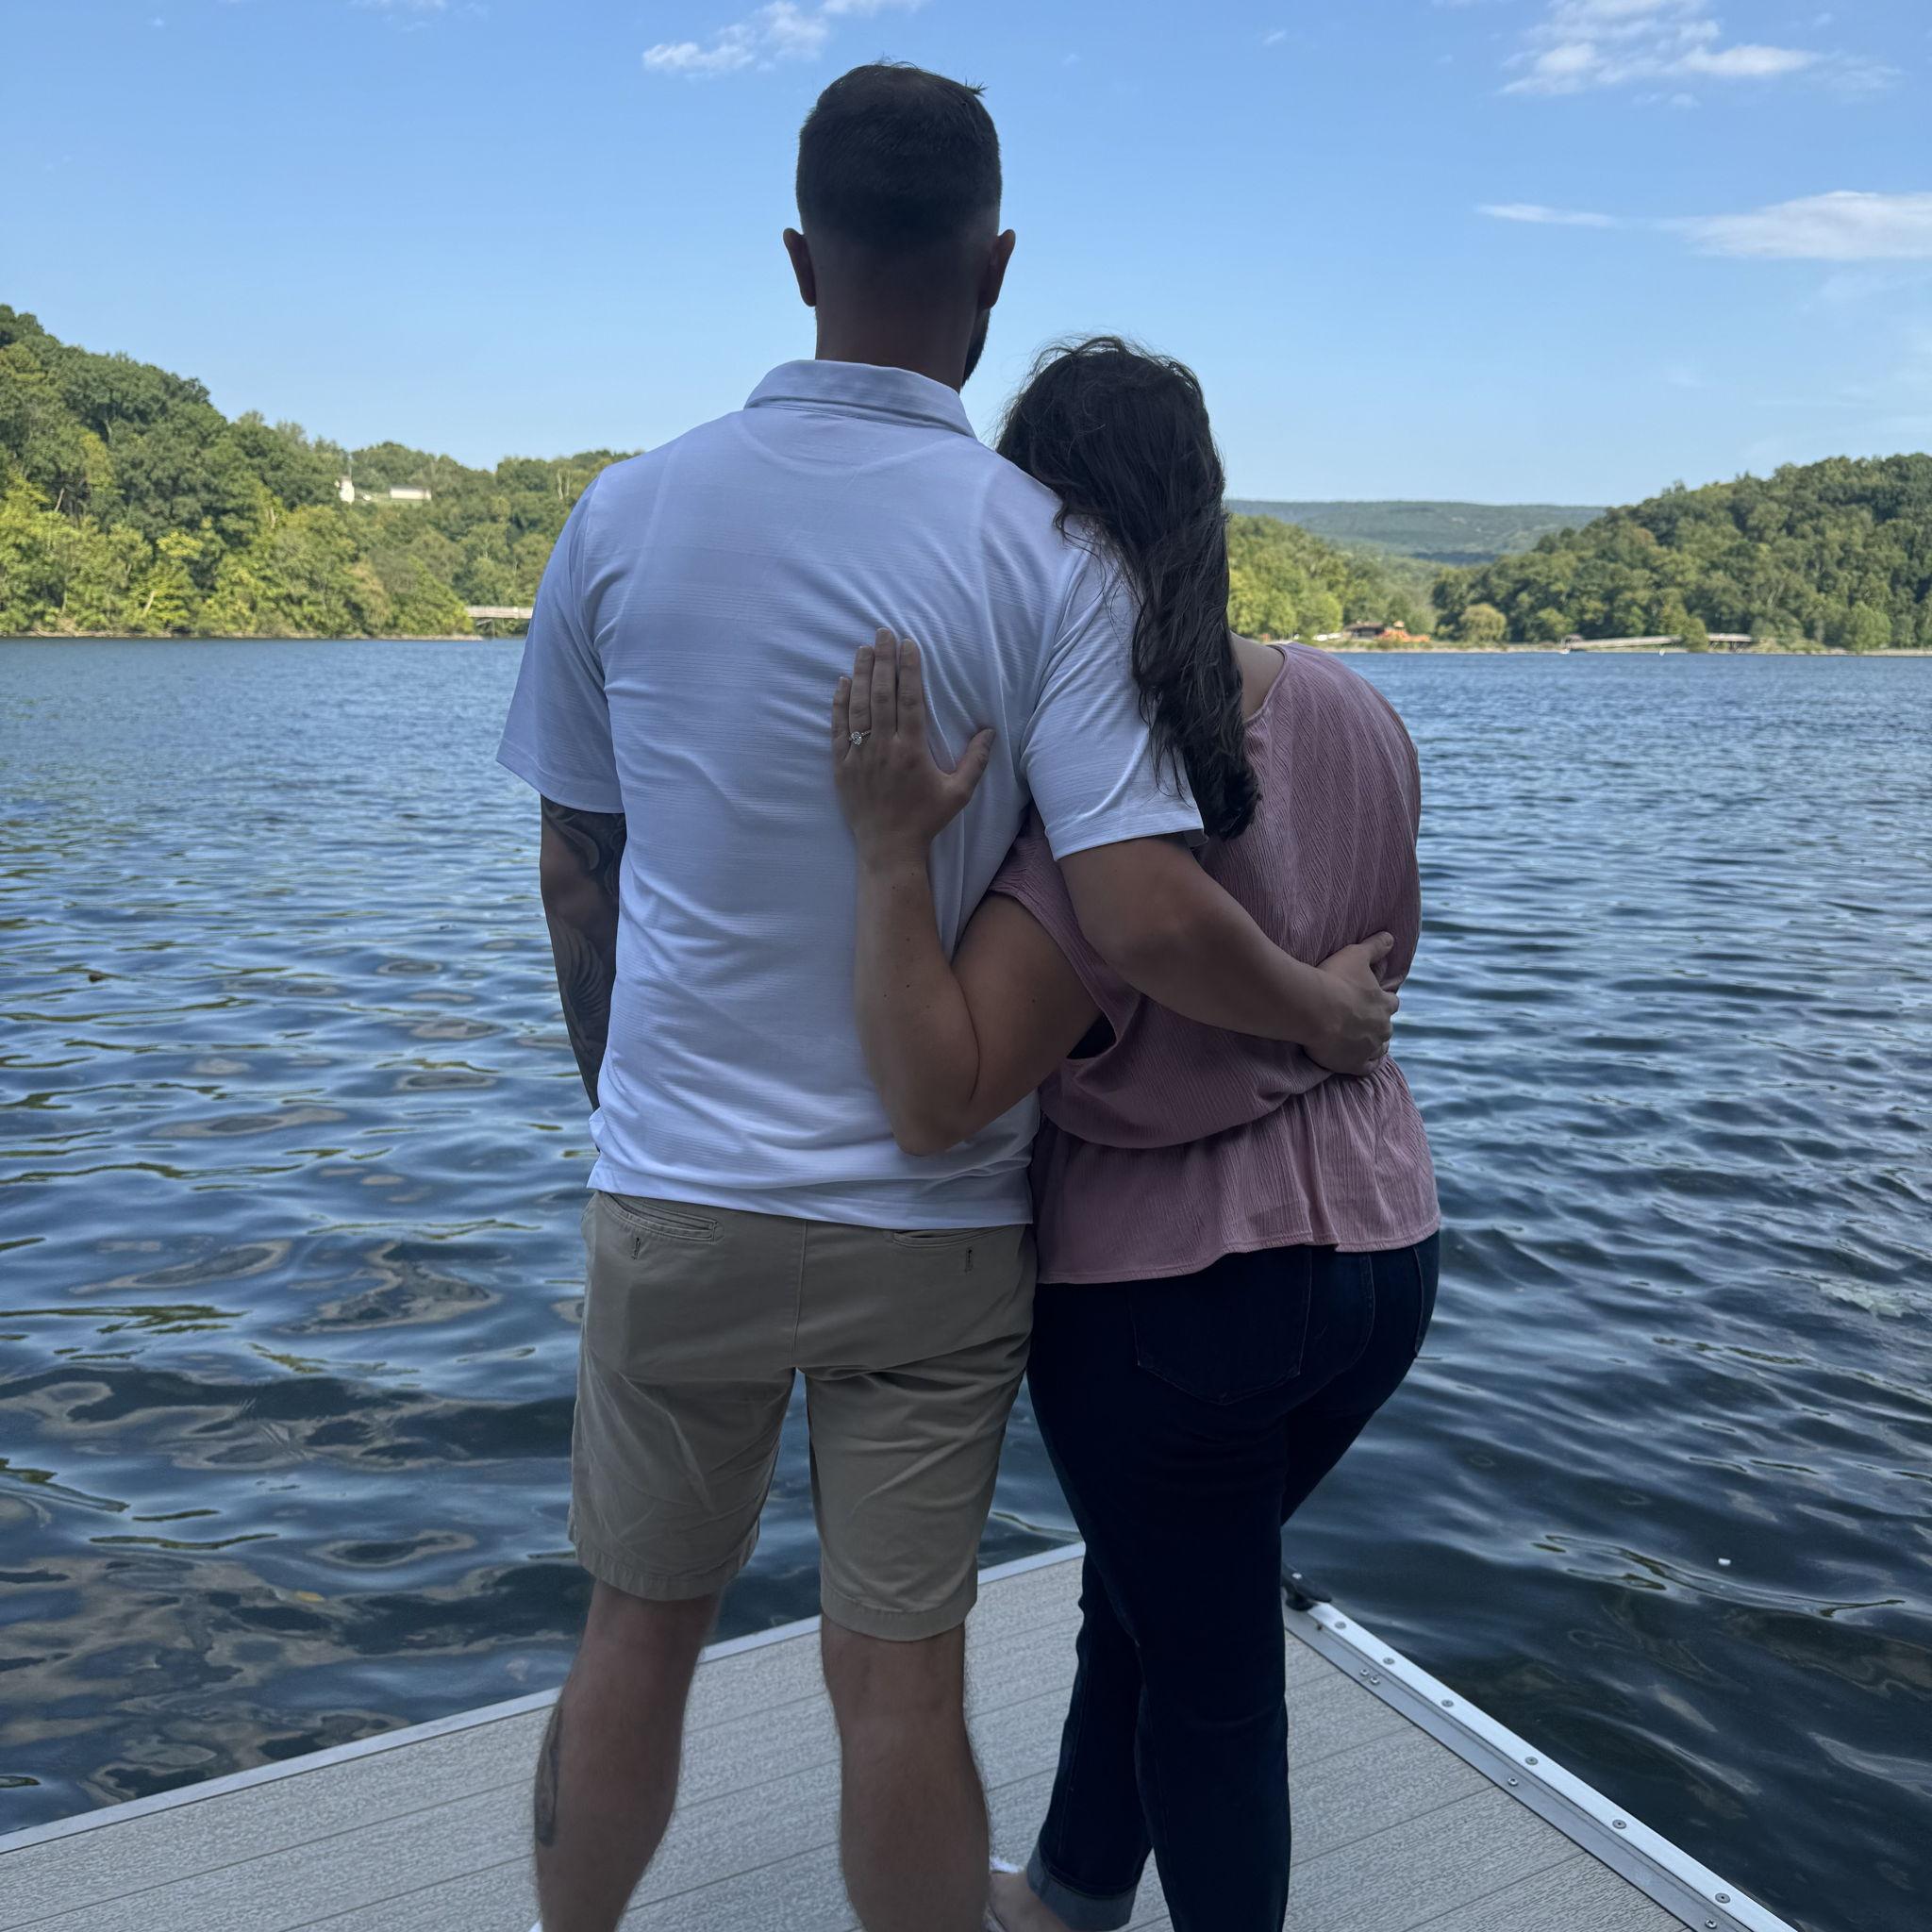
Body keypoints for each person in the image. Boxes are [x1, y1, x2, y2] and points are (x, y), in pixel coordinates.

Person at [498, 67, 1397, 1932]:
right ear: (991, 268)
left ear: (794, 255)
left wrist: (628, 1103)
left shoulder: (622, 519)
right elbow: (1141, 910)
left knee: (634, 1634)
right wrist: (1320, 1012)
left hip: (679, 1200)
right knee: (895, 1678)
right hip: (932, 1225)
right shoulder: (1044, 551)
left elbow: (578, 864)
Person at [829, 338, 1441, 1932]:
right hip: (1382, 1259)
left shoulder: (1094, 790)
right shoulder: (1360, 711)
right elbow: (1389, 957)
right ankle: (1080, 1891)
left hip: (1174, 1297)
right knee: (1160, 1598)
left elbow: (956, 1080)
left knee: (1214, 1675)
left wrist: (894, 865)